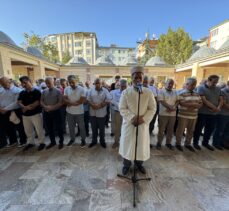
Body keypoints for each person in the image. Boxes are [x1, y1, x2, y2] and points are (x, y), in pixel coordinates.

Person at [119, 66, 156, 175]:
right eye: (136, 77)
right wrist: (132, 118)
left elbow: (152, 108)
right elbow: (122, 108)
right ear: (132, 78)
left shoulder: (148, 92)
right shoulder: (126, 92)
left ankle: (139, 164)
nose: (138, 79)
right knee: (127, 145)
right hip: (129, 124)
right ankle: (126, 165)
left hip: (142, 124)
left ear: (143, 78)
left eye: (140, 77)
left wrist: (143, 119)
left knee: (141, 145)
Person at [193, 75, 223, 151]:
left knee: (210, 129)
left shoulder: (218, 89)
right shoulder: (201, 88)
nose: (215, 84)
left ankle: (205, 143)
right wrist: (215, 108)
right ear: (209, 80)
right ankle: (195, 143)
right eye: (214, 82)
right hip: (202, 113)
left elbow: (221, 99)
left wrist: (218, 108)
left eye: (216, 82)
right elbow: (204, 100)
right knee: (198, 128)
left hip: (213, 114)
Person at [18, 76, 45, 151]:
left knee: (39, 129)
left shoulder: (37, 91)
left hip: (36, 114)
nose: (23, 85)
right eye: (22, 83)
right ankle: (30, 143)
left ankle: (42, 143)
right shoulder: (22, 92)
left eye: (25, 83)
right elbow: (19, 102)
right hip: (25, 115)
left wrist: (25, 108)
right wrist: (25, 107)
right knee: (28, 130)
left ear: (30, 81)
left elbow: (36, 103)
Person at [175, 78, 202, 152]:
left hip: (193, 116)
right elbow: (181, 103)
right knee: (180, 130)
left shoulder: (197, 94)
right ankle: (178, 144)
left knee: (191, 131)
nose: (193, 86)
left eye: (194, 85)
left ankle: (188, 144)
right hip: (183, 115)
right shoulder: (181, 93)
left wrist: (191, 105)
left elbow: (200, 103)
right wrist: (194, 104)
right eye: (192, 85)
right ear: (187, 84)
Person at [0, 77, 27, 148]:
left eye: (4, 83)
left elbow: (16, 102)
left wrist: (5, 109)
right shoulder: (1, 90)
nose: (3, 85)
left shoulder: (18, 90)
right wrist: (1, 109)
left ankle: (23, 141)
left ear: (9, 81)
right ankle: (13, 141)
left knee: (19, 127)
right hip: (3, 112)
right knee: (8, 127)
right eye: (1, 84)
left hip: (15, 111)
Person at [87, 78, 112, 148]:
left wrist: (100, 105)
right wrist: (92, 105)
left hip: (102, 113)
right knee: (93, 128)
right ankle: (94, 141)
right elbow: (88, 99)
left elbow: (109, 99)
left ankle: (102, 141)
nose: (97, 85)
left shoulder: (105, 90)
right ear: (94, 84)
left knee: (102, 129)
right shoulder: (91, 90)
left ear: (101, 84)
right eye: (96, 83)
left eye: (99, 83)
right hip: (93, 113)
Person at [41, 77, 64, 150]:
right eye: (46, 83)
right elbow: (41, 101)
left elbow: (60, 103)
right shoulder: (44, 91)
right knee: (49, 128)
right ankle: (52, 142)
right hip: (46, 112)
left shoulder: (58, 91)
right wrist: (45, 107)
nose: (48, 85)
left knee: (59, 127)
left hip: (56, 112)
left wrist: (52, 107)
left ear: (53, 82)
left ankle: (61, 142)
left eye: (49, 83)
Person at [63, 75, 87, 148]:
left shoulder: (82, 89)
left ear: (76, 81)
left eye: (73, 82)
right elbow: (64, 99)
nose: (71, 84)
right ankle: (72, 139)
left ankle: (83, 140)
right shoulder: (66, 89)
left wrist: (70, 103)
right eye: (70, 82)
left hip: (79, 112)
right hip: (69, 112)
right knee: (71, 127)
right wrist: (72, 103)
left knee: (81, 127)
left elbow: (82, 101)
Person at [156, 79, 179, 150]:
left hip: (172, 114)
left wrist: (174, 107)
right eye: (169, 83)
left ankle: (168, 143)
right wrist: (170, 107)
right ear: (165, 83)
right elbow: (161, 101)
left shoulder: (175, 91)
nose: (170, 85)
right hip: (163, 113)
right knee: (161, 129)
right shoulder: (161, 91)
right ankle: (159, 143)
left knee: (170, 129)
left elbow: (178, 100)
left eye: (172, 84)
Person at [212, 80, 229, 150]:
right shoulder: (222, 91)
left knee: (227, 130)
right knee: (220, 129)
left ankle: (224, 143)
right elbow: (224, 103)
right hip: (222, 114)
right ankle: (216, 143)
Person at [111, 79, 127, 148]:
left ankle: (125, 143)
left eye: (124, 86)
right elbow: (112, 101)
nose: (123, 87)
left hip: (127, 113)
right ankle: (116, 142)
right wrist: (119, 105)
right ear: (119, 85)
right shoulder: (114, 92)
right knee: (117, 128)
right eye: (122, 86)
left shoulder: (129, 92)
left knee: (126, 128)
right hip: (118, 113)